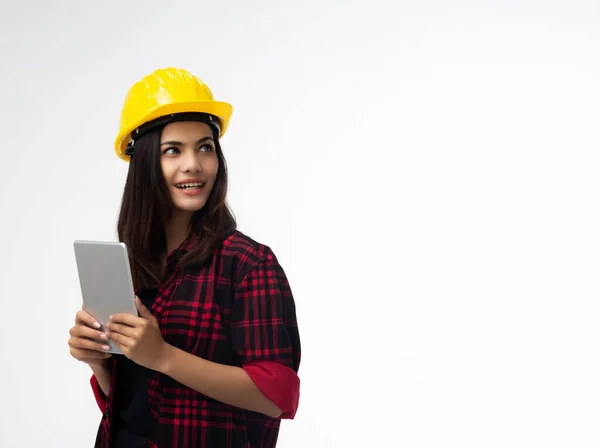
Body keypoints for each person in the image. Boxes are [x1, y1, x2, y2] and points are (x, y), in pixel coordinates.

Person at [67, 67, 301, 448]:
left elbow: (278, 396)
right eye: (172, 150)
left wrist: (163, 355)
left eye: (205, 147)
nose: (193, 164)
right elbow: (135, 403)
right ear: (143, 163)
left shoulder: (247, 264)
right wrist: (99, 358)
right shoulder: (133, 265)